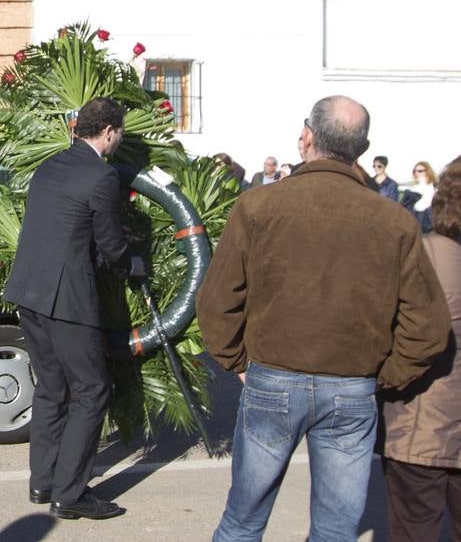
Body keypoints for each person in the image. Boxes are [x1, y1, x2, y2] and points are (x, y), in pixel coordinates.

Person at [197, 96, 450, 542]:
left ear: (306, 138)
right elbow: (427, 327)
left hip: (276, 378)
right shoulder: (394, 220)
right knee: (335, 531)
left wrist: (236, 362)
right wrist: (384, 375)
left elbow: (217, 300)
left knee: (242, 521)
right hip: (350, 385)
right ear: (362, 148)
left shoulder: (258, 207)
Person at [3, 97, 143, 521]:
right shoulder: (100, 177)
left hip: (29, 292)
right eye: (119, 133)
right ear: (109, 133)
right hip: (68, 300)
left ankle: (42, 482)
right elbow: (111, 244)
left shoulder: (50, 165)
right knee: (91, 389)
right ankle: (71, 493)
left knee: (51, 388)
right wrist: (134, 263)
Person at [381, 155, 461, 542]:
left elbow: (393, 333)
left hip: (422, 425)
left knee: (415, 529)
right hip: (426, 423)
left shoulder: (425, 254)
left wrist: (385, 381)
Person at [402, 161, 438, 233]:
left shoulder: (434, 190)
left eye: (420, 171)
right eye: (415, 171)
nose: (417, 173)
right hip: (412, 227)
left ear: (428, 172)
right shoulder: (411, 191)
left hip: (427, 229)